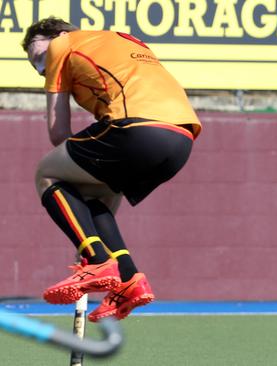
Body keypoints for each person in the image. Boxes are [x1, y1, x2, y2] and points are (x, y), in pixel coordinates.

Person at [21, 17, 201, 321]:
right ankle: (130, 279)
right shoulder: (124, 42)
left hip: (138, 129)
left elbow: (57, 132)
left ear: (61, 35)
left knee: (48, 173)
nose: (42, 68)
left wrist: (87, 246)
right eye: (35, 67)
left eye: (40, 56)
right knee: (96, 195)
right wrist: (85, 223)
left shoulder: (63, 45)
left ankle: (97, 260)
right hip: (180, 141)